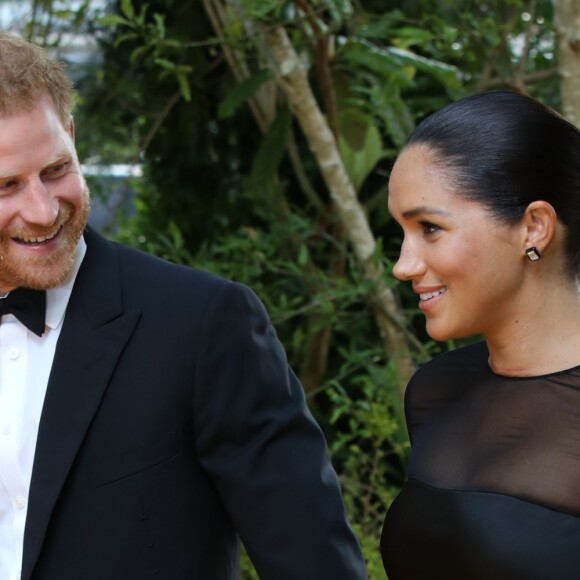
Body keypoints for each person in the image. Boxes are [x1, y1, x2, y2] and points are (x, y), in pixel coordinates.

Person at [0, 32, 368, 580]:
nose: (44, 208)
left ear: (73, 136)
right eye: (7, 185)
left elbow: (315, 565)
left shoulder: (203, 325)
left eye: (56, 170)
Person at [381, 90, 580, 579]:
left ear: (533, 227)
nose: (402, 266)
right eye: (401, 233)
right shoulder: (434, 390)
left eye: (429, 227)